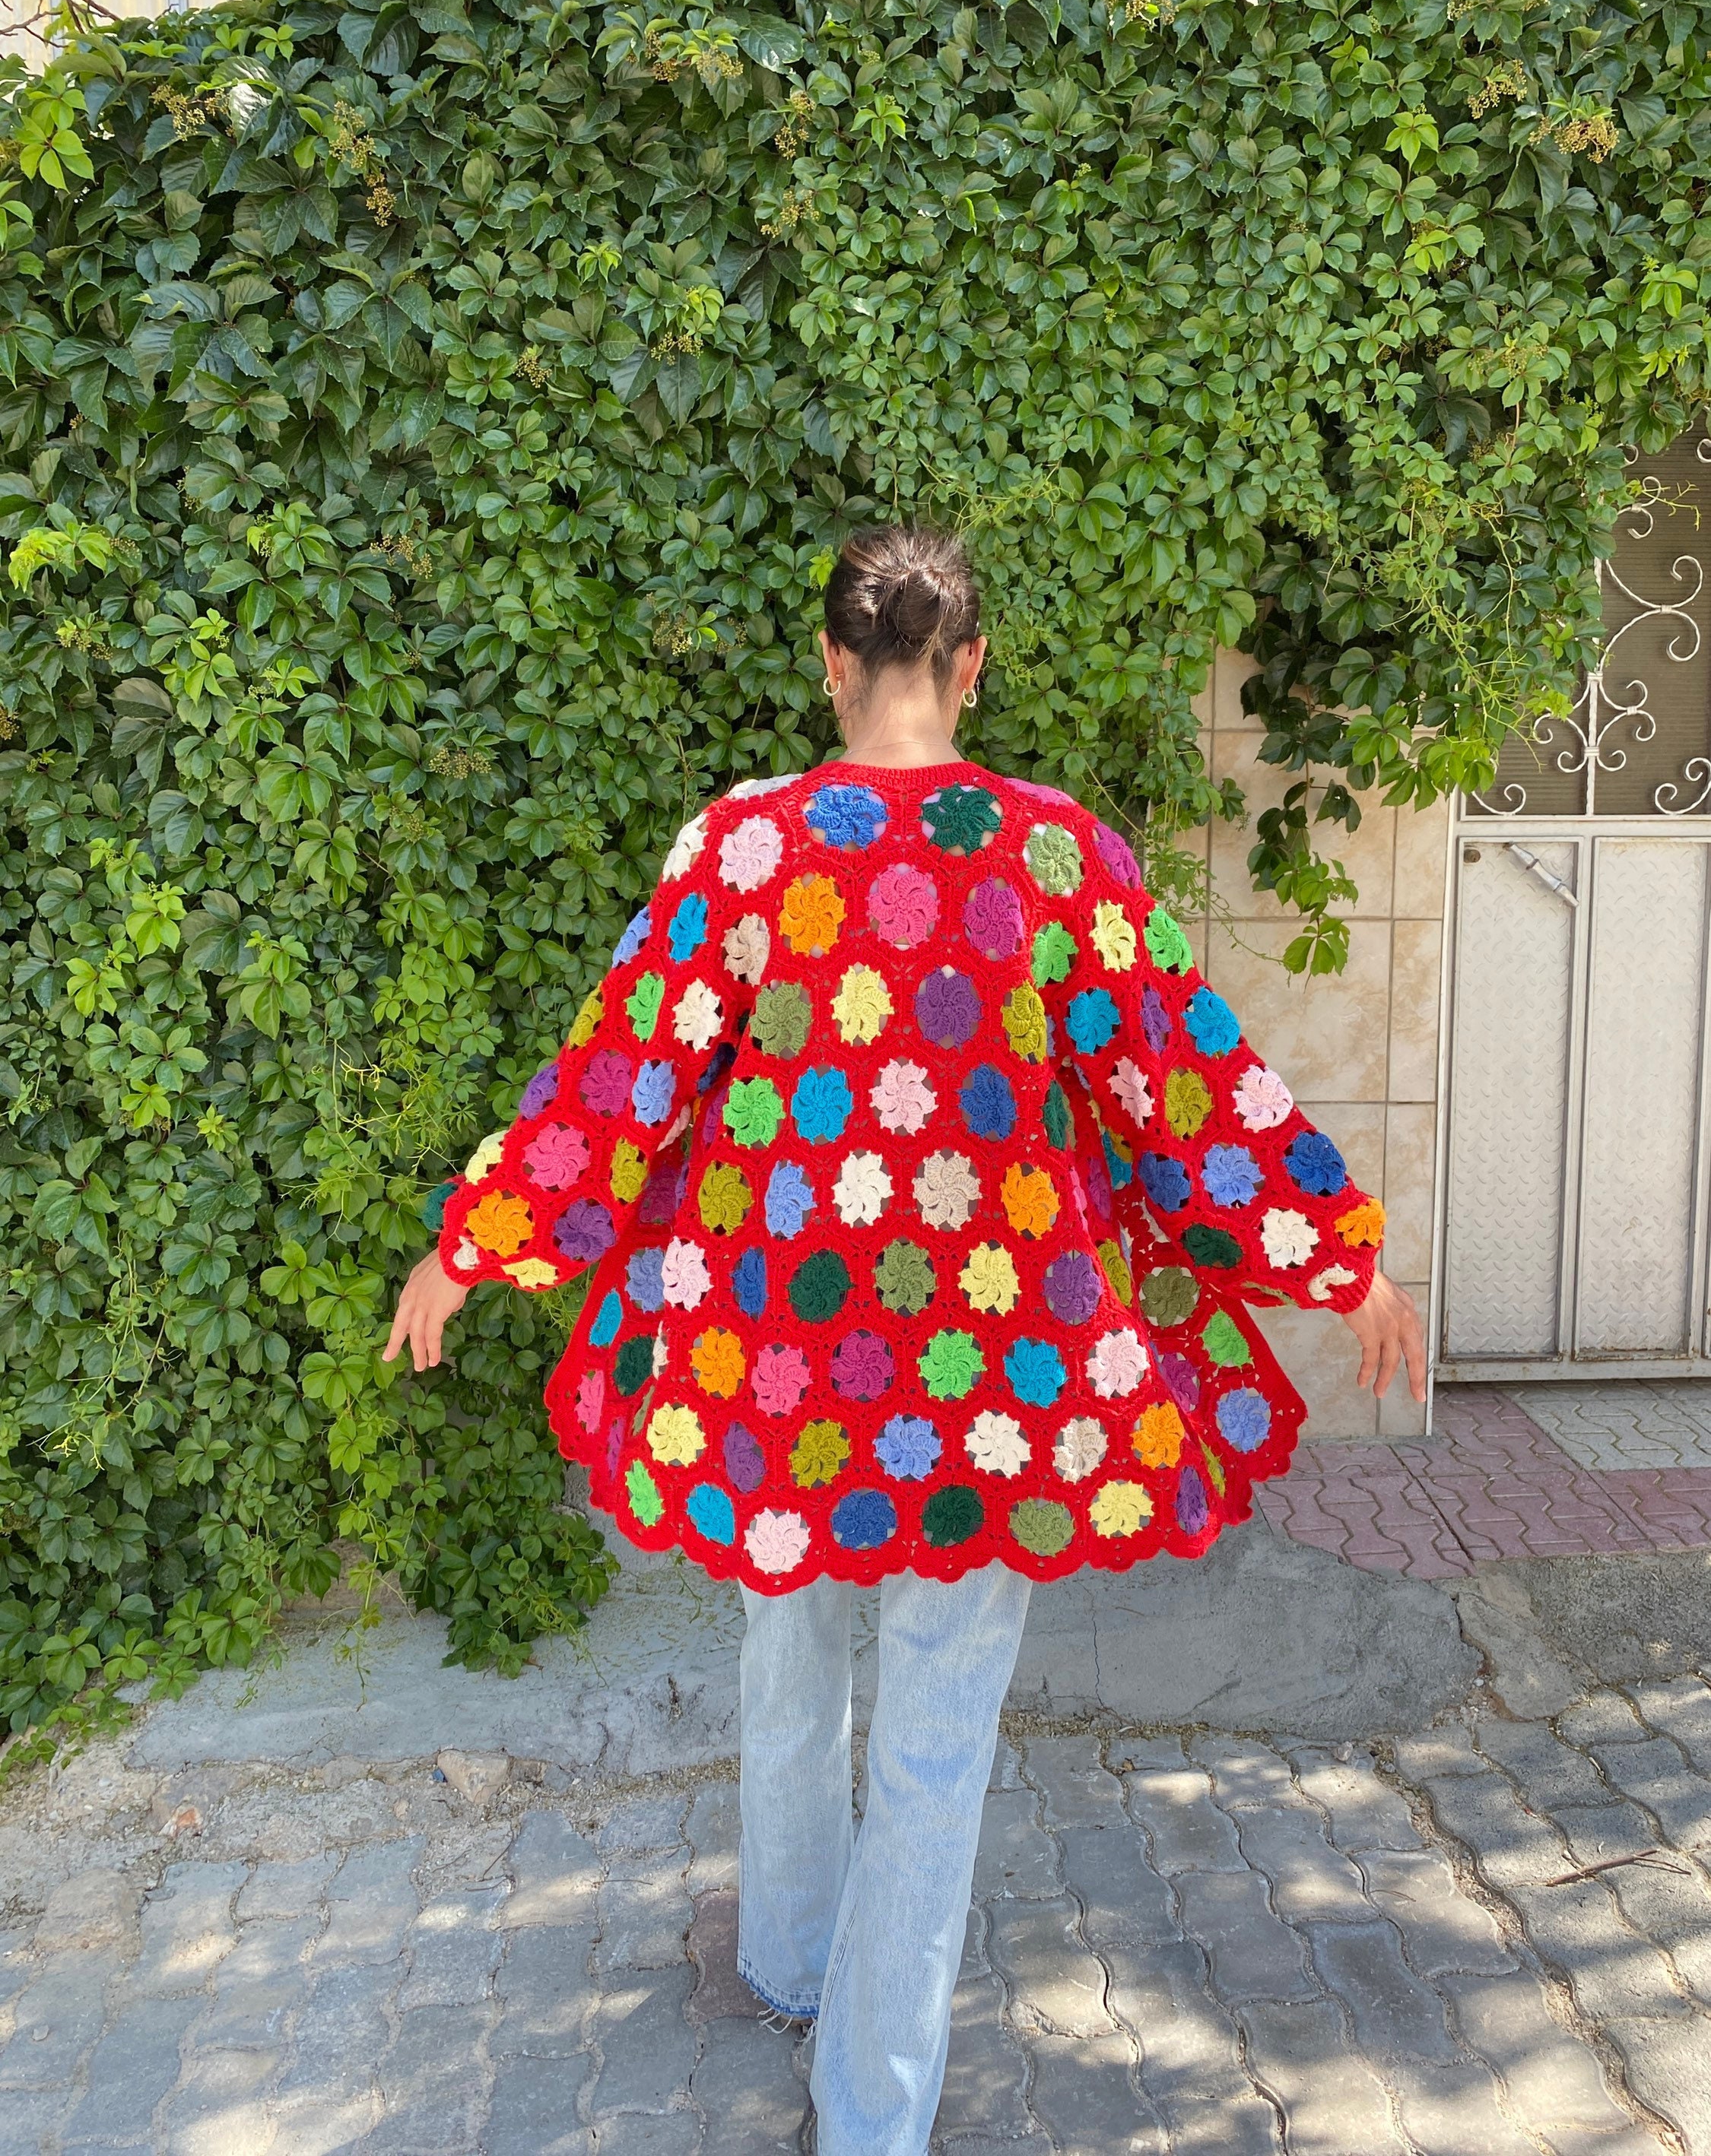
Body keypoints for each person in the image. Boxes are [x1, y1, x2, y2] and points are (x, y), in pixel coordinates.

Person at [384, 524, 1425, 2155]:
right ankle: (870, 2111)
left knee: (786, 1666)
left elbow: (622, 1076)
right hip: (996, 1381)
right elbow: (1186, 1088)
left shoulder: (740, 852)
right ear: (972, 667)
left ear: (830, 664)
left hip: (769, 1363)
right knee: (935, 1735)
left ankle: (797, 1966)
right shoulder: (1061, 859)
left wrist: (476, 1242)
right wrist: (1334, 1252)